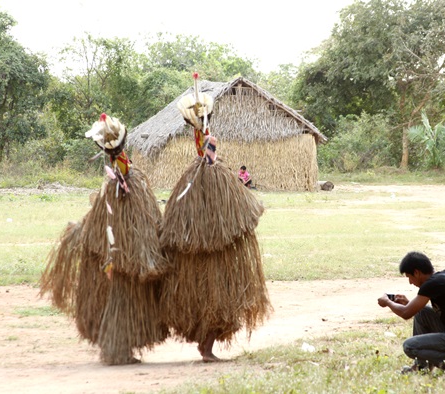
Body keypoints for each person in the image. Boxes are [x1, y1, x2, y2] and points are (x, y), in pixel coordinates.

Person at [40, 113, 171, 365]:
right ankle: (116, 350)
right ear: (123, 144)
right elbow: (129, 215)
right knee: (123, 297)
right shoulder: (121, 182)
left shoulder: (118, 180)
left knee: (123, 296)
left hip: (123, 247)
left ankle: (119, 348)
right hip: (125, 249)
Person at [160, 73, 272, 362]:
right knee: (209, 296)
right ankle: (205, 345)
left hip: (215, 253)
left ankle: (206, 345)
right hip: (205, 252)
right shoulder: (203, 175)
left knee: (216, 296)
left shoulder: (212, 176)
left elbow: (242, 218)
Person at [378, 251, 445, 373]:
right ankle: (422, 367)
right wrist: (408, 303)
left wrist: (387, 302)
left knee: (409, 346)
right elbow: (418, 309)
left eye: (409, 277)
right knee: (421, 313)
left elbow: (406, 314)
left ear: (416, 272)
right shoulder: (441, 277)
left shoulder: (431, 284)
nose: (410, 282)